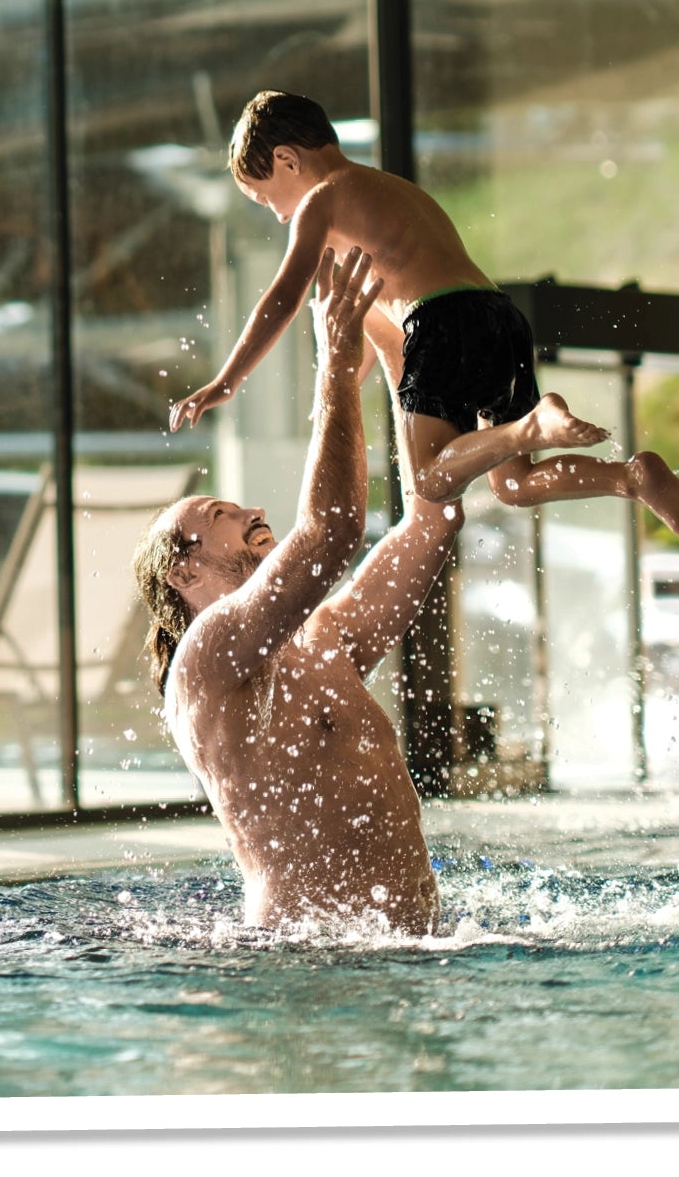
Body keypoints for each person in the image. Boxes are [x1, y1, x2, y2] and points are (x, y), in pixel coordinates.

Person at [168, 89, 679, 551]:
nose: (278, 213)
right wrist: (337, 388)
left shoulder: (322, 202)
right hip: (500, 318)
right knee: (514, 486)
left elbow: (283, 296)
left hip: (443, 321)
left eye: (266, 198)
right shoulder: (391, 192)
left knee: (431, 480)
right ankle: (631, 478)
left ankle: (531, 427)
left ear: (288, 160)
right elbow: (364, 321)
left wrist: (227, 380)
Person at [136, 245, 459, 932]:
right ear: (186, 574)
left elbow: (432, 518)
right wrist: (335, 368)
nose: (253, 511)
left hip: (409, 953)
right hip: (301, 964)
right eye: (221, 517)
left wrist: (400, 359)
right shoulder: (206, 660)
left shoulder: (324, 640)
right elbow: (331, 532)